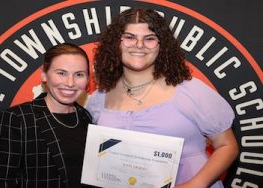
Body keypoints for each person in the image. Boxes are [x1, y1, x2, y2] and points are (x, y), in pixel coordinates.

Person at [86, 8, 239, 188]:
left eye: (149, 38)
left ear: (162, 45)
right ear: (115, 44)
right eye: (129, 37)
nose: (139, 44)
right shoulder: (99, 98)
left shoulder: (190, 90)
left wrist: (195, 184)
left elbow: (227, 145)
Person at [0, 43, 93, 188]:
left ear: (88, 78)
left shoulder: (86, 117)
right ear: (44, 74)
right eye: (61, 73)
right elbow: (2, 183)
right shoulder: (17, 118)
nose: (70, 83)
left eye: (79, 74)